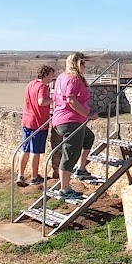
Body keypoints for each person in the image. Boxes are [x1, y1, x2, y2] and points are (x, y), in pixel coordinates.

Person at [50, 52, 101, 202]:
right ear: (77, 64)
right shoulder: (73, 79)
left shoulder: (62, 77)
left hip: (62, 120)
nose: (85, 67)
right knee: (70, 154)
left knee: (88, 138)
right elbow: (71, 100)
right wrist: (87, 114)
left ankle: (81, 169)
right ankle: (64, 189)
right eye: (83, 64)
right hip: (70, 122)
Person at [17, 63, 55, 188]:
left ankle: (20, 175)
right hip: (38, 123)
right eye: (50, 75)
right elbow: (41, 102)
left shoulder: (30, 84)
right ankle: (34, 177)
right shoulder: (43, 87)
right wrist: (54, 99)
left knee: (25, 149)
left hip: (27, 121)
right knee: (35, 151)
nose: (51, 78)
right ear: (45, 75)